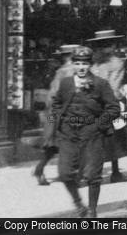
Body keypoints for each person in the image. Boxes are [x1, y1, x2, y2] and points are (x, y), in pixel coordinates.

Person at [51, 46, 120, 218]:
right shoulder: (66, 83)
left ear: (90, 65)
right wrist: (59, 118)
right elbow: (57, 103)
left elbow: (113, 108)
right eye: (77, 63)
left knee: (92, 175)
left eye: (84, 63)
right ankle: (78, 205)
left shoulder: (100, 84)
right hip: (69, 133)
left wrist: (98, 125)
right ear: (72, 64)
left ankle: (91, 211)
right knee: (65, 173)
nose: (81, 67)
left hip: (92, 133)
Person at [87, 30, 127, 183]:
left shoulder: (93, 63)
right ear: (112, 45)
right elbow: (113, 87)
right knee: (114, 141)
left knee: (95, 140)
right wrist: (121, 98)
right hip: (108, 106)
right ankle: (115, 173)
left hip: (92, 105)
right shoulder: (117, 63)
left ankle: (93, 172)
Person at [34, 44, 79, 186]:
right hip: (63, 112)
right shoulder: (69, 71)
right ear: (71, 56)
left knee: (53, 146)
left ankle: (40, 169)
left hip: (55, 112)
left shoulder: (61, 71)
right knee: (70, 143)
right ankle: (70, 175)